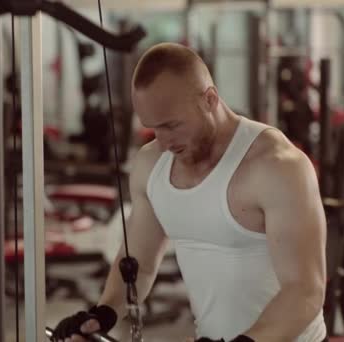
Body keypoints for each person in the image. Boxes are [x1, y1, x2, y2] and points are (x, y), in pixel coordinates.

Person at [51, 43, 327, 342]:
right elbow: (138, 264)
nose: (164, 141)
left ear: (210, 99)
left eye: (172, 125)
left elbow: (305, 291)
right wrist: (102, 314)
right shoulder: (152, 165)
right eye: (154, 128)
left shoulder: (277, 167)